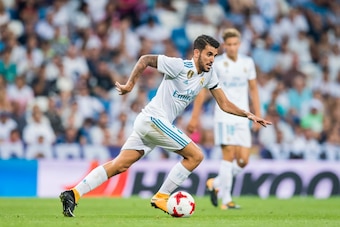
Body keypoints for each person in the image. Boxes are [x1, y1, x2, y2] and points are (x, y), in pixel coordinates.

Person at [59, 34, 271, 217]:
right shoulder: (179, 65)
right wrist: (130, 85)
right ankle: (161, 196)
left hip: (151, 124)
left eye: (215, 55)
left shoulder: (209, 75)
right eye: (209, 54)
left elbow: (224, 104)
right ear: (196, 53)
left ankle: (73, 194)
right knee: (196, 156)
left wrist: (249, 114)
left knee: (119, 165)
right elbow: (145, 59)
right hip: (153, 120)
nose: (212, 59)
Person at [187, 28, 262, 210]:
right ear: (224, 45)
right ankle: (226, 200)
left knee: (243, 160)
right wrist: (195, 117)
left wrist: (257, 116)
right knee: (228, 155)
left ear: (239, 44)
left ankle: (215, 183)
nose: (232, 47)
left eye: (235, 44)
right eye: (228, 44)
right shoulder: (216, 63)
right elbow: (203, 91)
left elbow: (253, 89)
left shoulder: (248, 63)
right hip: (224, 115)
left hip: (242, 115)